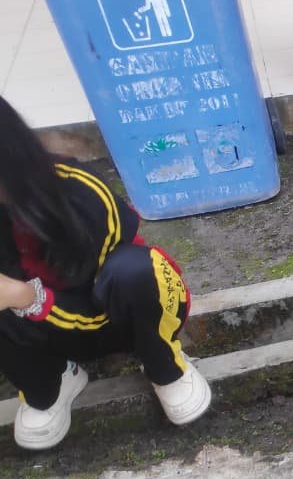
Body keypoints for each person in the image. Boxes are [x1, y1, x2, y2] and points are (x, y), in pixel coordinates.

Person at [0, 95, 211, 451]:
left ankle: (164, 364)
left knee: (136, 269)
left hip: (113, 315)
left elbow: (105, 281)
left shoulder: (78, 189)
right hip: (43, 335)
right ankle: (47, 386)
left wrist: (25, 297)